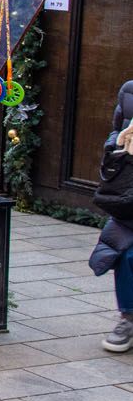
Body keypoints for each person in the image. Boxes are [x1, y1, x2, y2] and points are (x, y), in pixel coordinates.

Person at [89, 79, 133, 352]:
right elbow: (114, 133)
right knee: (128, 256)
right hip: (129, 200)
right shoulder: (130, 92)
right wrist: (119, 145)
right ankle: (128, 318)